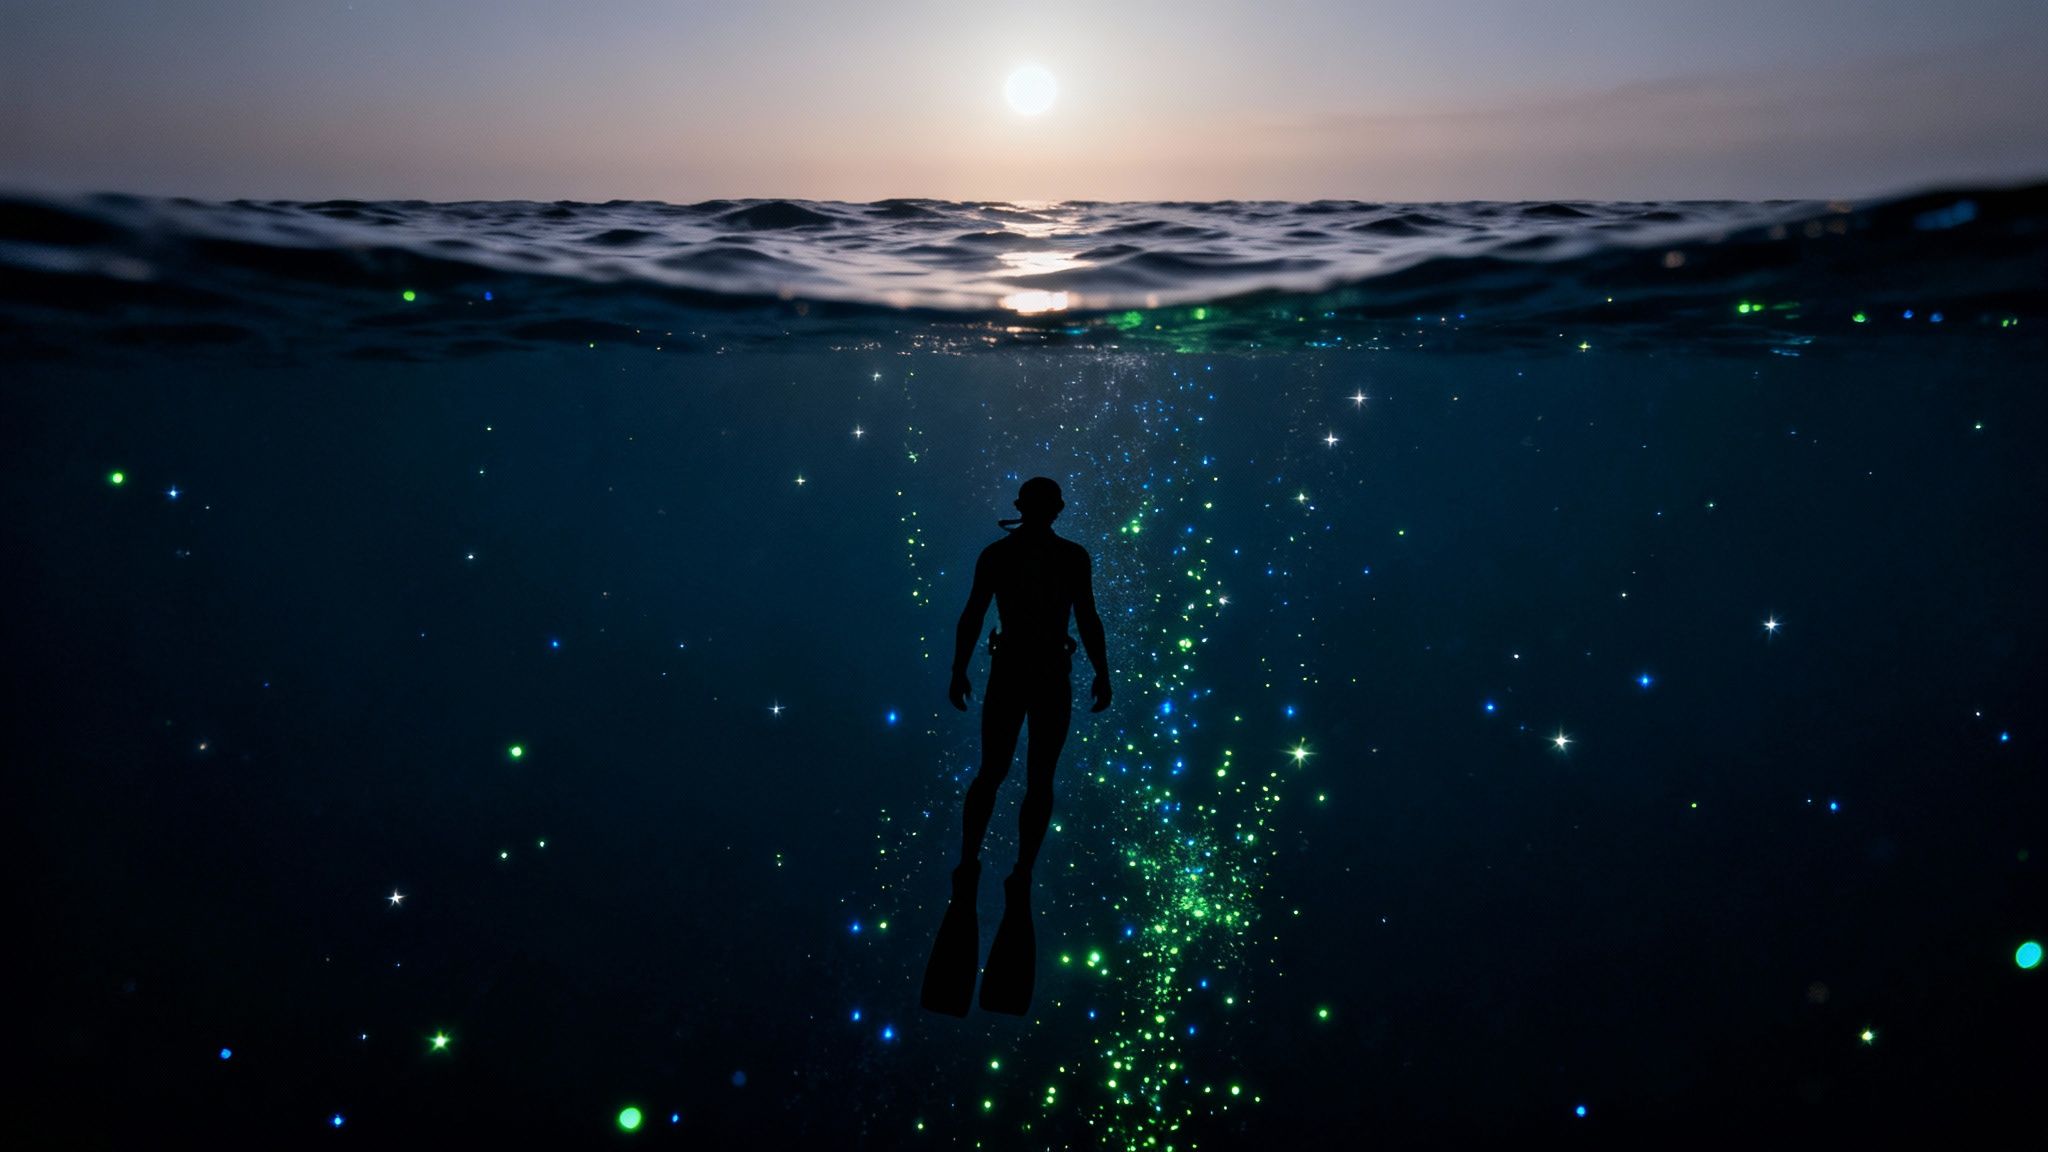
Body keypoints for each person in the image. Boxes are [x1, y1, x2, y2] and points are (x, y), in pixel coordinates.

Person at [948, 476, 1111, 895]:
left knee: (995, 772)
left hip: (1015, 669)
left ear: (1020, 507)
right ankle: (1019, 870)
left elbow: (973, 616)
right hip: (1048, 672)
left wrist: (959, 669)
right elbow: (1087, 618)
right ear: (1057, 509)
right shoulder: (1070, 557)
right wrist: (1101, 672)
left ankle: (973, 862)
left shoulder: (1000, 555)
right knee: (1035, 776)